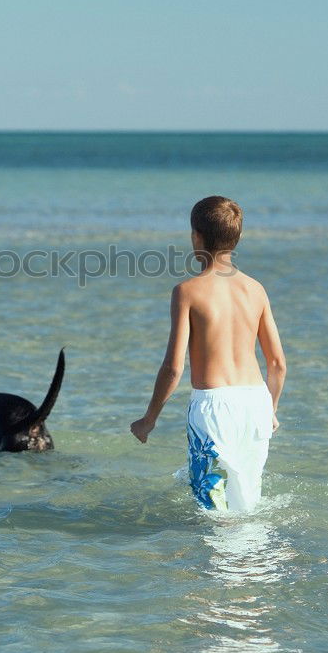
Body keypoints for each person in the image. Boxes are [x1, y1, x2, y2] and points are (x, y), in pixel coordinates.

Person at [130, 196, 286, 513]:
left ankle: (223, 564)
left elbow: (173, 369)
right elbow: (277, 364)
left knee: (214, 510)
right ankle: (257, 563)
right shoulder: (256, 289)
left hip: (215, 406)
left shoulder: (187, 291)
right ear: (237, 238)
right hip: (256, 402)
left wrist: (149, 420)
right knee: (247, 505)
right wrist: (271, 409)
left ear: (196, 237)